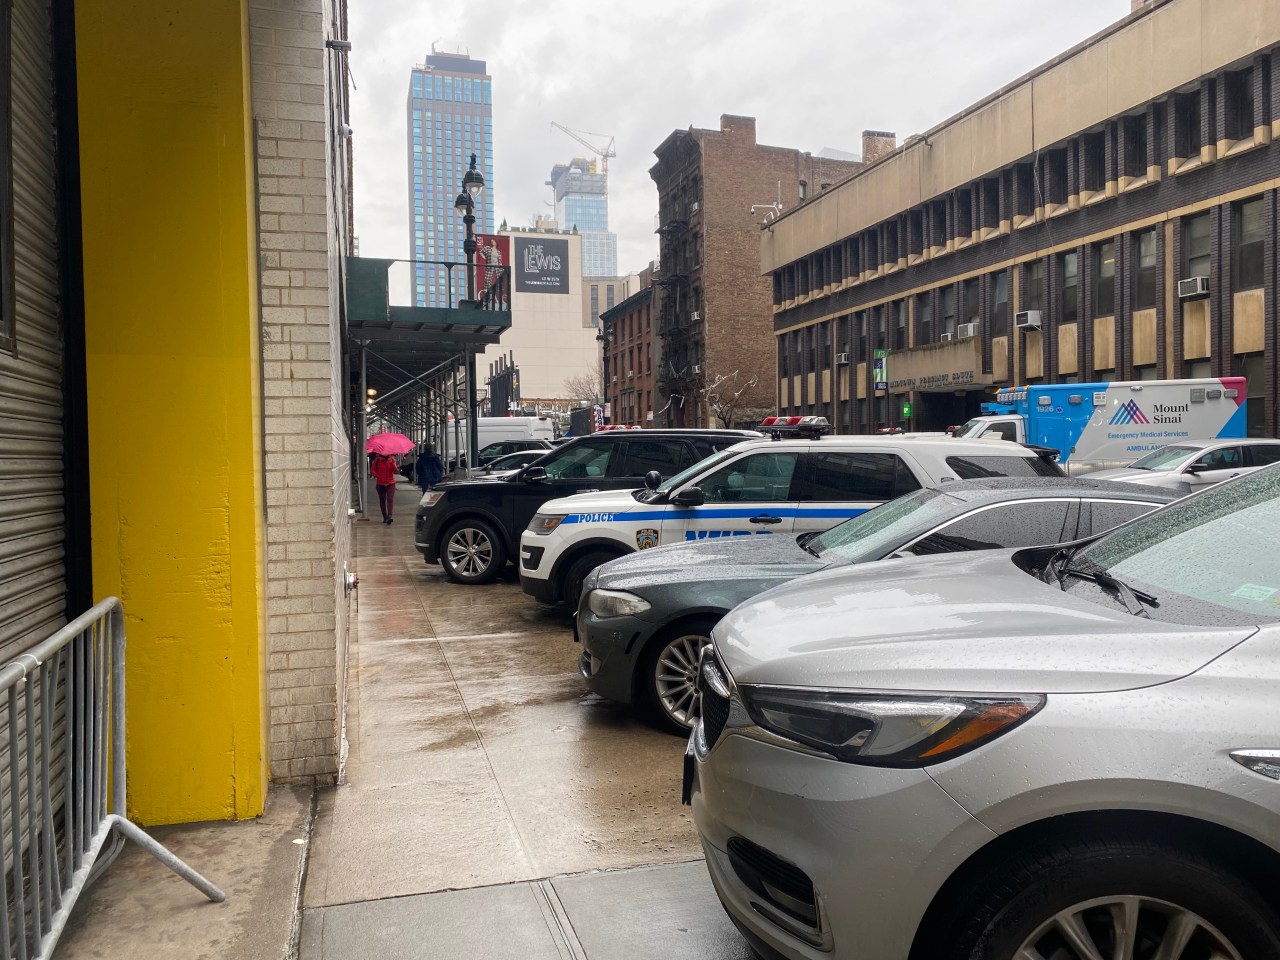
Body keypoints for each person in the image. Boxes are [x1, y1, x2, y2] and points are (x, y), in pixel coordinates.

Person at [370, 453, 398, 524]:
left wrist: (392, 463)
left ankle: (389, 516)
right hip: (380, 483)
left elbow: (395, 470)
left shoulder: (392, 459)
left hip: (390, 483)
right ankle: (385, 516)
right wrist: (378, 476)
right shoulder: (377, 460)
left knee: (390, 498)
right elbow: (372, 470)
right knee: (382, 500)